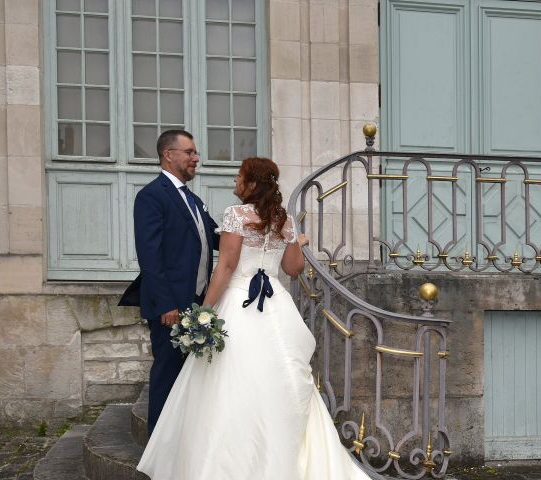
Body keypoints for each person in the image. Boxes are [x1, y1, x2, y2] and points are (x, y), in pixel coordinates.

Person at [137, 157, 370, 479]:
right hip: (275, 301)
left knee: (230, 381)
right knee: (280, 374)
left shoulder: (236, 215)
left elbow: (227, 267)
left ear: (250, 184)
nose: (235, 182)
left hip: (239, 300)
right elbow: (293, 269)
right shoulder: (283, 219)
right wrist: (296, 243)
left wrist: (205, 310)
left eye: (238, 177)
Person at [124, 129, 220, 434]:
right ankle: (158, 450)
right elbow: (150, 257)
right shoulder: (151, 196)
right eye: (189, 152)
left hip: (197, 304)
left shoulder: (192, 199)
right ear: (169, 155)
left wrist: (260, 227)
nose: (196, 158)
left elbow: (217, 238)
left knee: (189, 377)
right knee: (167, 375)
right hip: (171, 308)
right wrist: (166, 304)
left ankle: (183, 441)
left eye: (195, 153)